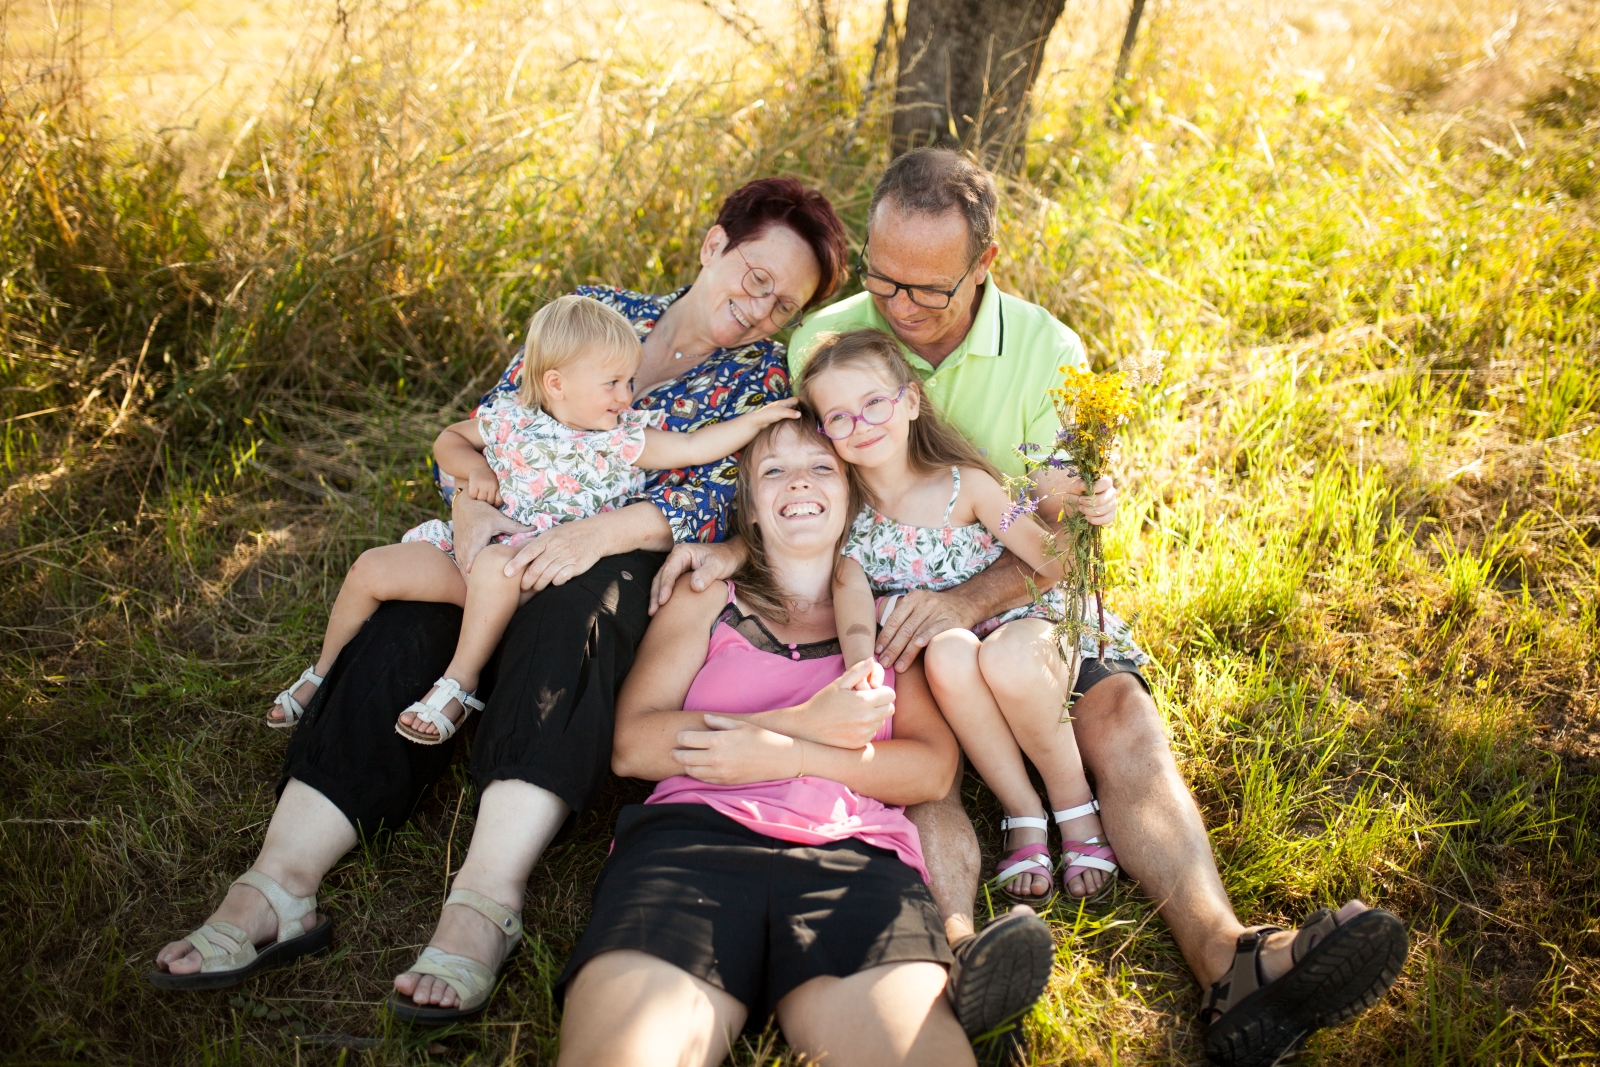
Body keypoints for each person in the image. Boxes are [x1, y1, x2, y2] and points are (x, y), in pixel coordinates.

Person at [650, 149, 1409, 1065]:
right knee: (909, 767)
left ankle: (1230, 959)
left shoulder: (1051, 353)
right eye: (884, 278)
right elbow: (782, 477)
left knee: (1121, 715)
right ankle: (959, 951)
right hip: (879, 612)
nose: (897, 306)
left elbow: (1058, 545)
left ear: (985, 263)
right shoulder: (822, 338)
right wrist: (735, 550)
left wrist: (968, 596)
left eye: (926, 289)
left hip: (1010, 593)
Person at [146, 177, 855, 1024]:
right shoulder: (594, 309)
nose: (759, 307)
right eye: (754, 276)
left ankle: (484, 897)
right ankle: (280, 882)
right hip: (508, 532)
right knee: (417, 612)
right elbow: (495, 424)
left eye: (784, 302)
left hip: (612, 563)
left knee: (577, 594)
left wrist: (606, 531)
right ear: (713, 246)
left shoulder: (760, 382)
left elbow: (723, 504)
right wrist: (470, 506)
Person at [557, 417, 977, 1067]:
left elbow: (929, 770)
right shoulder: (706, 599)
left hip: (853, 859)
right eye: (774, 470)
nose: (799, 482)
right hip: (691, 846)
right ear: (750, 506)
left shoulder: (891, 619)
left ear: (850, 494)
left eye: (820, 467)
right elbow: (636, 745)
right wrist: (803, 720)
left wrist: (794, 757)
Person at [264, 295, 800, 744]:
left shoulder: (622, 440)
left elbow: (693, 445)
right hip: (470, 562)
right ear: (556, 383)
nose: (627, 395)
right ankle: (322, 672)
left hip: (532, 577)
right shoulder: (510, 422)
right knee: (371, 569)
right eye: (612, 383)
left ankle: (459, 684)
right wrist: (473, 472)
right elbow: (448, 439)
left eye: (629, 380)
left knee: (499, 564)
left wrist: (757, 420)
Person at [797, 327, 1128, 904]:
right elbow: (851, 605)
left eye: (875, 402)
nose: (863, 423)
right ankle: (1021, 807)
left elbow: (1050, 564)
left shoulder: (963, 486)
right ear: (824, 433)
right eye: (840, 417)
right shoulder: (847, 519)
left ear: (911, 401)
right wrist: (858, 668)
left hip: (1026, 624)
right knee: (949, 652)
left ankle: (1074, 805)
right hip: (951, 650)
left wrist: (1085, 511)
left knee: (1010, 658)